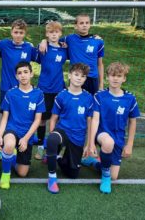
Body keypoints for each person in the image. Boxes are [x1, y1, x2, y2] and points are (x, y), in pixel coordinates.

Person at [82, 62, 140, 194]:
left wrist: (129, 144)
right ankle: (105, 177)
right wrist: (90, 143)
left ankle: (94, 163)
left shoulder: (130, 98)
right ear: (107, 77)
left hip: (118, 137)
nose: (115, 78)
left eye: (119, 76)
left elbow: (133, 122)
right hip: (102, 134)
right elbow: (95, 119)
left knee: (115, 176)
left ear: (124, 78)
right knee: (108, 143)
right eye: (112, 75)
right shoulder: (99, 96)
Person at [45, 63, 93, 194]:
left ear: (85, 79)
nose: (79, 78)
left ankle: (59, 158)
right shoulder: (61, 96)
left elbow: (90, 122)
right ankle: (52, 178)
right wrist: (52, 136)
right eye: (76, 75)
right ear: (70, 76)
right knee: (53, 140)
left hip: (78, 136)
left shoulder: (88, 98)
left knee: (73, 174)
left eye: (82, 76)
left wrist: (89, 144)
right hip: (63, 131)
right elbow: (54, 118)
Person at [0, 61, 45, 189]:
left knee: (22, 173)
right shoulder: (11, 93)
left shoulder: (38, 94)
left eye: (25, 72)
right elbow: (4, 118)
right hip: (12, 130)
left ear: (31, 74)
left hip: (27, 134)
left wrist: (25, 138)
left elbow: (37, 120)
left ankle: (11, 157)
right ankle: (5, 174)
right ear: (16, 76)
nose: (23, 75)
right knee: (9, 144)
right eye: (20, 73)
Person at [39, 14, 105, 95]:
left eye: (87, 23)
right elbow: (54, 40)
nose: (84, 25)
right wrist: (44, 41)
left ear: (90, 25)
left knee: (91, 104)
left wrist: (101, 84)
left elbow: (100, 64)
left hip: (92, 78)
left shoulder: (98, 41)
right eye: (81, 23)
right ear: (75, 26)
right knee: (74, 103)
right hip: (75, 77)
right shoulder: (69, 39)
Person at [34, 21, 68, 160]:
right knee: (42, 119)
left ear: (60, 34)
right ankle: (41, 146)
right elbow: (37, 49)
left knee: (58, 119)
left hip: (59, 89)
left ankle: (54, 145)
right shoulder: (42, 48)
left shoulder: (64, 49)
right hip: (44, 89)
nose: (54, 35)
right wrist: (42, 41)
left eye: (56, 32)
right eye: (51, 32)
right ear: (47, 34)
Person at [0, 19, 38, 107]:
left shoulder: (29, 47)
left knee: (21, 113)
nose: (18, 35)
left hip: (23, 88)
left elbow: (42, 57)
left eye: (21, 32)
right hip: (6, 87)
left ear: (25, 33)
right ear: (11, 32)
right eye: (16, 32)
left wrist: (44, 42)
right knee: (5, 114)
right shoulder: (4, 44)